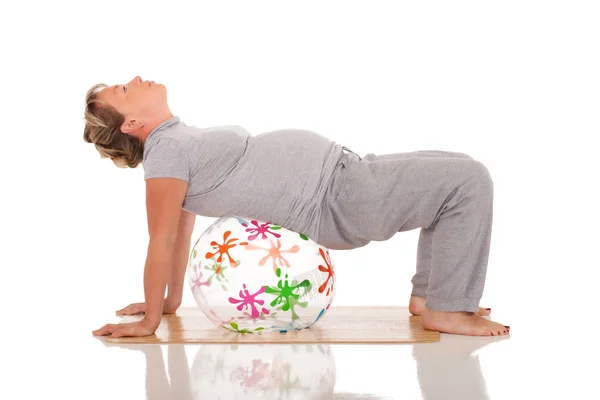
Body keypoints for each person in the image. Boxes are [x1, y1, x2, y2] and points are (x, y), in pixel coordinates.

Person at [85, 76, 510, 337]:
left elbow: (181, 230)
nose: (136, 78)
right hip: (338, 198)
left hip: (345, 175)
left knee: (460, 168)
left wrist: (169, 303)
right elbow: (160, 239)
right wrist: (149, 320)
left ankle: (432, 297)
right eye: (125, 89)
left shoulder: (175, 142)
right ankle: (448, 309)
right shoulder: (165, 153)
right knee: (469, 182)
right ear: (133, 124)